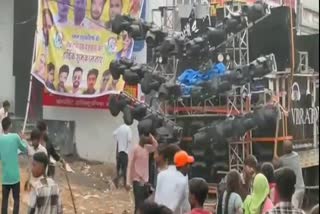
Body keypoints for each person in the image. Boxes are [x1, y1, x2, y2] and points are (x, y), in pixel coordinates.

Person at [0, 117, 28, 214]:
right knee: (16, 199)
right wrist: (23, 139)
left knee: (4, 201)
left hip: (5, 177)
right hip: (15, 176)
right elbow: (24, 149)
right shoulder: (15, 137)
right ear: (10, 125)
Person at [127, 134, 158, 213]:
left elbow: (155, 146)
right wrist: (128, 182)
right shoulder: (135, 148)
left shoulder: (147, 148)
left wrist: (151, 137)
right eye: (145, 136)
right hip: (137, 180)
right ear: (141, 137)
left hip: (145, 181)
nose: (147, 138)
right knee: (138, 204)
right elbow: (129, 165)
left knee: (144, 204)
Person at [279, 141, 305, 209]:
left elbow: (277, 165)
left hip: (295, 191)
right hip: (302, 188)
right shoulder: (296, 155)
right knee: (298, 210)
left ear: (283, 149)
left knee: (293, 211)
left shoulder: (282, 160)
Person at [113, 123, 132, 188]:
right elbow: (129, 140)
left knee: (118, 168)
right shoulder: (128, 129)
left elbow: (114, 134)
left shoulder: (120, 128)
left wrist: (119, 139)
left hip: (118, 152)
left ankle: (117, 183)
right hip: (124, 153)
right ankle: (124, 184)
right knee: (125, 170)